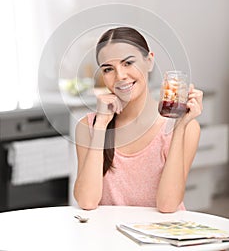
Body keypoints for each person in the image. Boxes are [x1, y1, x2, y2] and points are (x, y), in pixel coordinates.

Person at [73, 26, 203, 212]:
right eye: (109, 69)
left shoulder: (183, 128)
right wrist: (101, 125)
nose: (120, 76)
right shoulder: (89, 127)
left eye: (128, 63)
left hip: (161, 238)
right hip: (109, 238)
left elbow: (167, 205)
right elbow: (87, 202)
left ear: (149, 61)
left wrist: (180, 126)